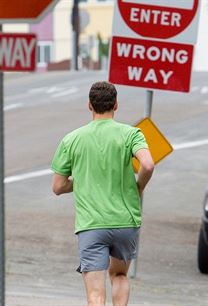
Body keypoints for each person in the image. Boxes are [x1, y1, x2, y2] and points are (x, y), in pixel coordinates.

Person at [51, 81, 155, 306]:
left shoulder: (72, 139)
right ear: (116, 104)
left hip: (91, 225)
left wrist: (80, 181)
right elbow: (147, 165)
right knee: (119, 276)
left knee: (95, 295)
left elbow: (58, 186)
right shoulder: (131, 134)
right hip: (125, 221)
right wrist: (139, 187)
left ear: (89, 105)